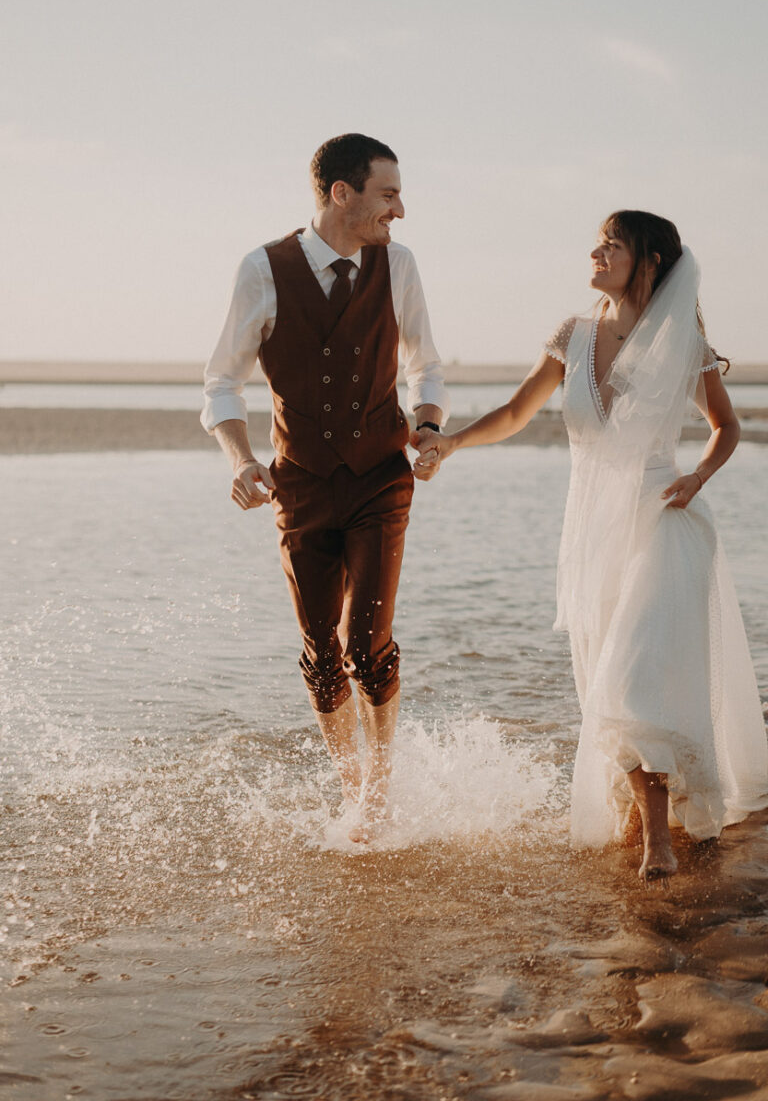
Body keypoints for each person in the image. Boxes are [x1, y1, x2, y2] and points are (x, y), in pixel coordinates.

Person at [416, 211, 768, 881]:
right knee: (608, 681)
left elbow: (726, 426)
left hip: (666, 522)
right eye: (599, 241)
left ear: (650, 262)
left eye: (612, 244)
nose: (596, 251)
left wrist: (697, 476)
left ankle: (656, 841)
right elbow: (518, 412)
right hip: (593, 535)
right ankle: (644, 812)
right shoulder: (571, 336)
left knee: (637, 677)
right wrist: (452, 442)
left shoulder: (681, 342)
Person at [201, 133, 447, 841]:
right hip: (301, 485)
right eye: (388, 194)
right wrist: (241, 461)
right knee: (320, 653)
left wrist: (427, 427)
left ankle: (379, 791)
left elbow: (425, 366)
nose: (400, 210)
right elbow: (222, 380)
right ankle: (351, 790)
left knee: (369, 644)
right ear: (343, 194)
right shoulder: (263, 269)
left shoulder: (397, 266)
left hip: (380, 476)